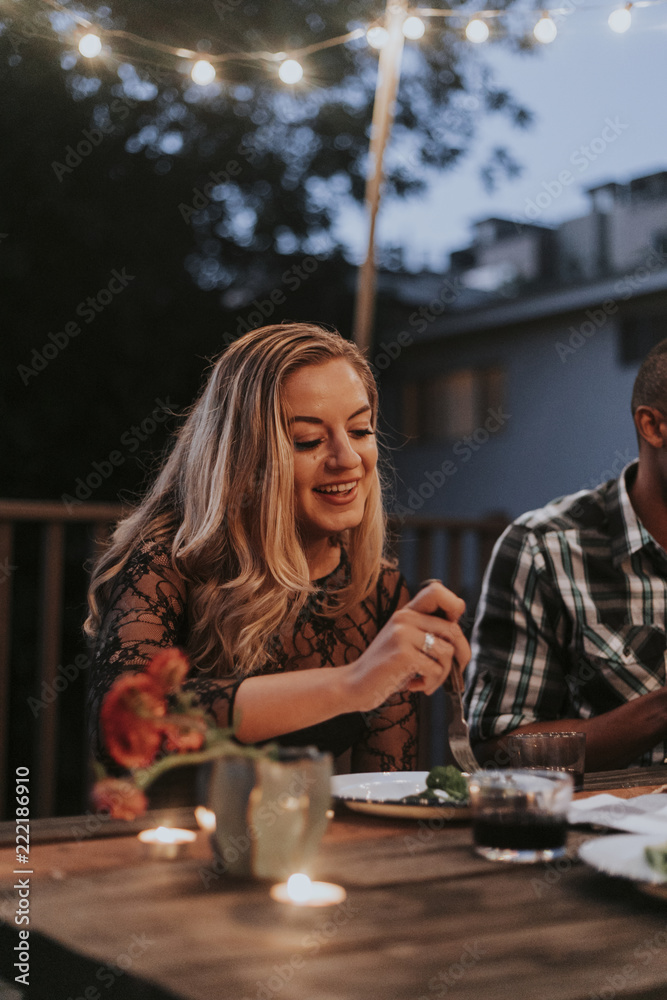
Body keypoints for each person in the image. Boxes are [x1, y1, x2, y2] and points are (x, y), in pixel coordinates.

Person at [86, 323, 469, 774]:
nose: (347, 458)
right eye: (308, 440)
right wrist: (351, 683)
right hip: (178, 840)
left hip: (305, 841)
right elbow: (126, 726)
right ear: (243, 459)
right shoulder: (169, 561)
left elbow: (381, 794)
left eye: (360, 430)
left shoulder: (378, 589)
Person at [464, 337, 667, 772]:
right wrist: (659, 713)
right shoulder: (544, 549)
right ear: (653, 427)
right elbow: (497, 751)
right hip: (602, 834)